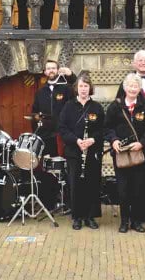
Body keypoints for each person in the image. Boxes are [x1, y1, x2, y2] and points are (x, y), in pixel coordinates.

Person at [106, 73, 145, 233]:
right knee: (123, 190)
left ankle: (136, 221)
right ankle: (124, 221)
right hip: (121, 155)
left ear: (140, 88)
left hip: (138, 153)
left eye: (136, 86)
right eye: (130, 86)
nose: (133, 89)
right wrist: (113, 140)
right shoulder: (115, 106)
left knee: (138, 189)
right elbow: (107, 127)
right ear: (125, 87)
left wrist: (142, 143)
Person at [58, 71, 104, 230]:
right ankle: (77, 216)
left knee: (92, 184)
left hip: (92, 152)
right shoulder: (69, 106)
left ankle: (90, 217)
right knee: (75, 184)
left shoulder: (96, 107)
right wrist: (76, 140)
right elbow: (62, 128)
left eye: (86, 86)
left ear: (90, 88)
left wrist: (93, 140)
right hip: (74, 152)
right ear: (76, 88)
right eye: (81, 86)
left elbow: (102, 129)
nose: (83, 89)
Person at [31, 60, 73, 157]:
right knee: (47, 166)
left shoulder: (66, 88)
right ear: (45, 72)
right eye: (48, 69)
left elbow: (77, 90)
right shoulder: (40, 92)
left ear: (58, 70)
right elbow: (34, 113)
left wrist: (71, 75)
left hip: (62, 134)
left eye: (53, 68)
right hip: (45, 135)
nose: (51, 71)